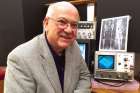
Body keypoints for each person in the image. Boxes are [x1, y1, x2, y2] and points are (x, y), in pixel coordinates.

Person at [4, 1, 91, 93]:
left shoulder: (74, 46)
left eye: (74, 25)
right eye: (62, 22)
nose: (69, 30)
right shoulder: (20, 58)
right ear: (46, 23)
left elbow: (84, 75)